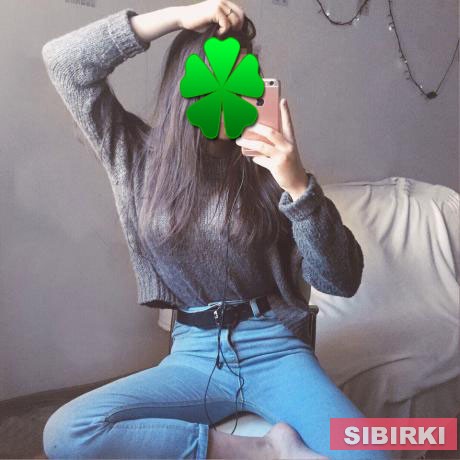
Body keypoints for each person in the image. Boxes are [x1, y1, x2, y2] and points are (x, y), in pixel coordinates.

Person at [41, 1, 392, 459]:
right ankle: (264, 450)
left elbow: (341, 280)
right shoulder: (139, 158)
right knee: (68, 432)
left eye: (246, 79)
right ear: (186, 88)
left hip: (274, 348)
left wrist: (298, 186)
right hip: (194, 353)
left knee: (373, 452)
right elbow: (64, 62)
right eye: (217, 80)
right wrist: (176, 17)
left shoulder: (270, 171)